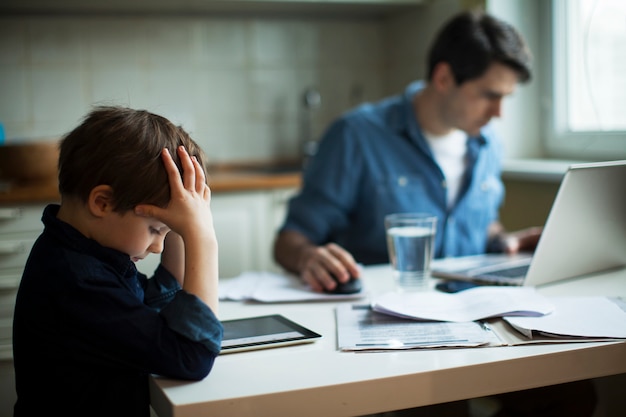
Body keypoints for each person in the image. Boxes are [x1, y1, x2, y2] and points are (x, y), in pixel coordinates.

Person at [273, 10, 596, 417]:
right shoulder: (357, 135)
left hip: (479, 319)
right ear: (444, 78)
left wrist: (503, 240)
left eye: (506, 98)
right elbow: (289, 240)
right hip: (393, 332)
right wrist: (308, 257)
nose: (499, 113)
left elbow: (481, 222)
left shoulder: (487, 143)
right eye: (489, 95)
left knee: (570, 393)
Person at [12, 106, 223, 417]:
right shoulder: (79, 281)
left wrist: (185, 225)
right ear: (102, 203)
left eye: (167, 231)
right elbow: (192, 356)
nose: (157, 246)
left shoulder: (77, 251)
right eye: (155, 229)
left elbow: (156, 304)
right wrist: (202, 238)